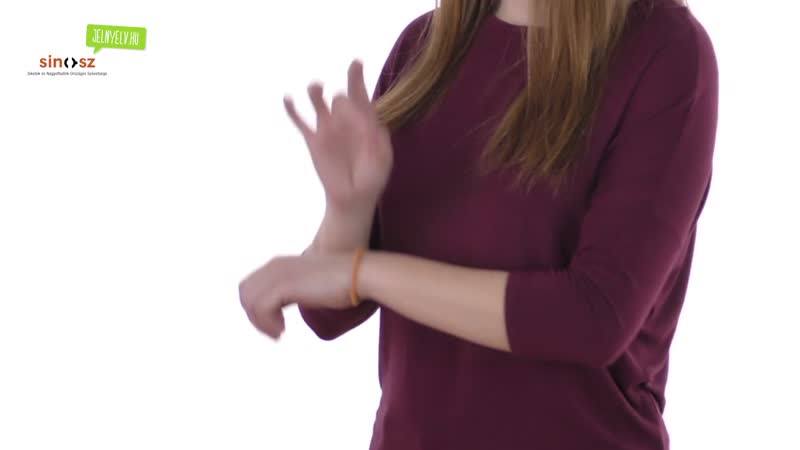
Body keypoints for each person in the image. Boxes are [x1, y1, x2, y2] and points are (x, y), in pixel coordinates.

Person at [238, 0, 718, 448]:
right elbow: (327, 314)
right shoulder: (423, 50)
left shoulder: (665, 49)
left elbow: (596, 316)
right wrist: (349, 210)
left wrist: (361, 272)